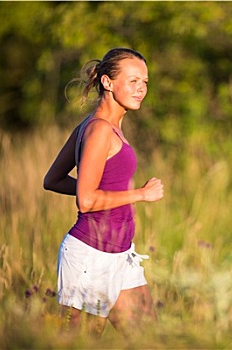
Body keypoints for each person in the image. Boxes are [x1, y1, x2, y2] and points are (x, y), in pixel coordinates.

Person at [43, 48, 164, 338]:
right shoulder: (99, 130)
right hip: (90, 258)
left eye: (145, 82)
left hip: (121, 257)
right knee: (79, 344)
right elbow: (86, 201)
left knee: (152, 341)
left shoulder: (103, 127)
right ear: (108, 83)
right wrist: (140, 194)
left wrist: (97, 190)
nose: (141, 89)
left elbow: (54, 180)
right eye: (133, 81)